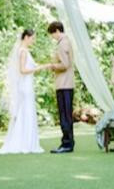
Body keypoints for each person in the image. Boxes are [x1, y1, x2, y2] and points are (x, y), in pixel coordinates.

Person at [0, 29, 50, 155]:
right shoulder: (23, 51)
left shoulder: (22, 50)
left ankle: (26, 142)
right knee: (25, 112)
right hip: (25, 86)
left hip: (26, 84)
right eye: (32, 38)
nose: (34, 41)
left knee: (26, 112)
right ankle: (24, 143)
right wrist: (40, 68)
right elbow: (22, 70)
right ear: (26, 37)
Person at [48, 21, 75, 154]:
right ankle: (68, 142)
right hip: (66, 84)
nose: (53, 37)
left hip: (64, 84)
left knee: (64, 115)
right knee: (66, 114)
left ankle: (67, 143)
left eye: (53, 34)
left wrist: (53, 66)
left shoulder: (62, 43)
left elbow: (65, 64)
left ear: (57, 31)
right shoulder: (66, 42)